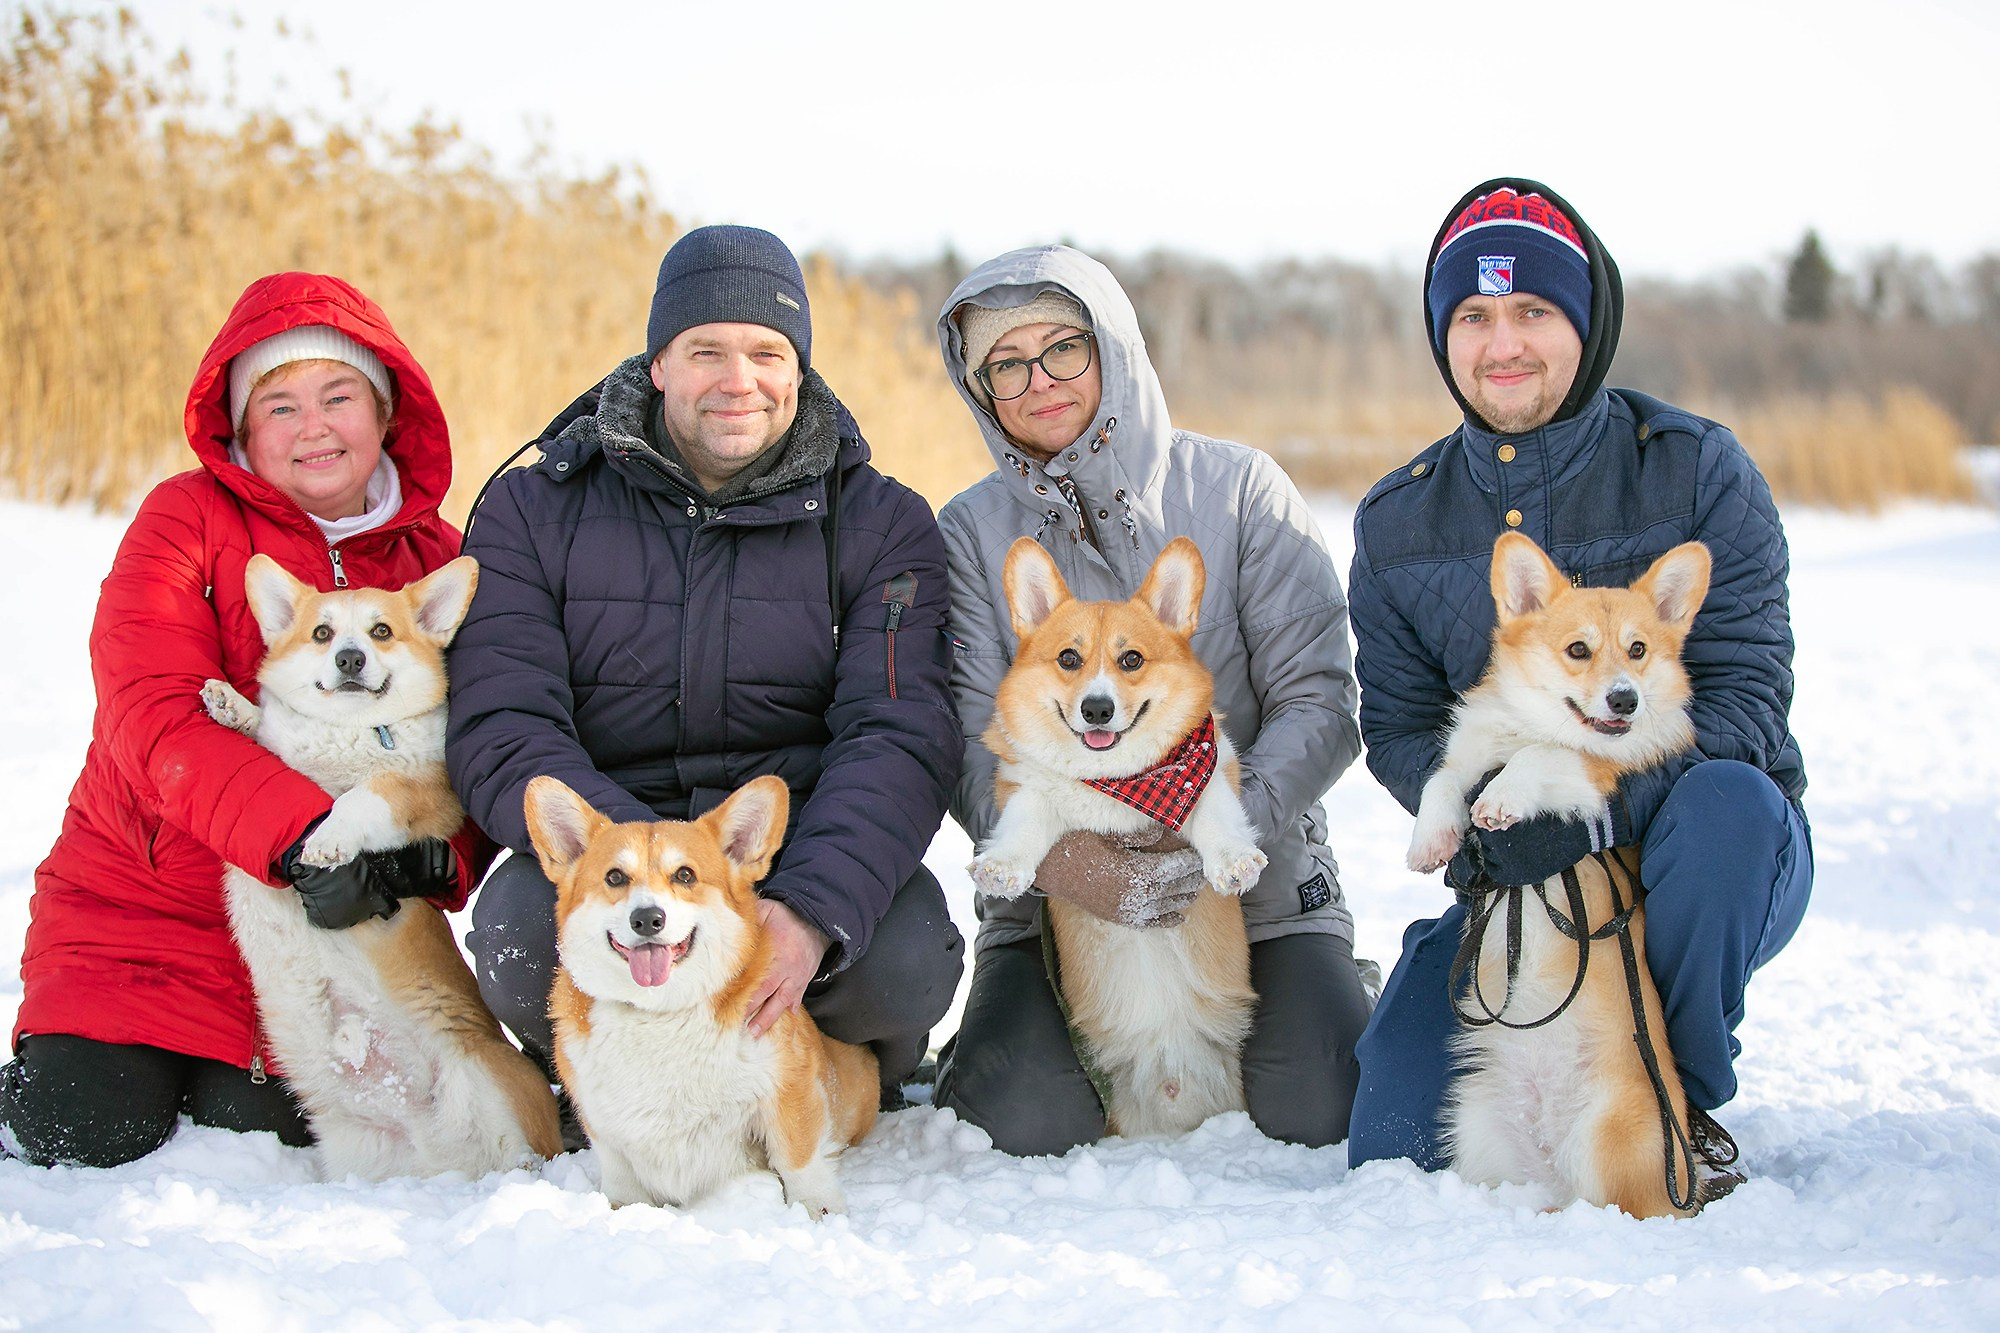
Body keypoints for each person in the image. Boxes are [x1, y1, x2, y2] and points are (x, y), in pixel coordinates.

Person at [1345, 178, 1813, 1183]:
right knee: (1394, 1136)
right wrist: (1479, 818)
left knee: (1729, 806)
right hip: (1517, 867)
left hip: (1704, 859)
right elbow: (1394, 725)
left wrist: (1597, 809)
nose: (1500, 341)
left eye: (1532, 310)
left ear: (1585, 322)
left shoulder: (1692, 469)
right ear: (1443, 337)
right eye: (1471, 315)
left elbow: (1741, 701)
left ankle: (1670, 1092)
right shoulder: (1396, 523)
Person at [447, 225, 964, 1107]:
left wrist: (805, 911)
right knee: (518, 934)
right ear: (657, 364)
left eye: (767, 352)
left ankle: (824, 1078)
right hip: (615, 862)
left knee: (906, 956)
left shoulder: (882, 523)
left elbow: (897, 733)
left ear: (798, 369)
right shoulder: (534, 508)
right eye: (706, 351)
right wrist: (642, 875)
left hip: (785, 857)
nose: (739, 380)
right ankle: (613, 1080)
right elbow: (504, 718)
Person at [0, 274, 483, 1167]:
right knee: (84, 1127)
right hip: (139, 910)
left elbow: (476, 753)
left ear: (384, 412)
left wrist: (432, 859)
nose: (314, 428)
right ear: (242, 429)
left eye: (339, 397)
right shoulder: (183, 521)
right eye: (280, 406)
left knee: (266, 1133)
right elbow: (155, 719)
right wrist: (306, 839)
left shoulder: (437, 565)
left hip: (320, 949)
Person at [931, 245, 1376, 1154]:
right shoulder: (971, 534)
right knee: (1025, 1118)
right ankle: (993, 1034)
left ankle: (1335, 984)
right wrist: (1075, 868)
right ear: (979, 389)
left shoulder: (1241, 491)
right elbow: (972, 746)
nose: (1039, 381)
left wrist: (1218, 832)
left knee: (1321, 1105)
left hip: (1254, 884)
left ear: (1113, 348)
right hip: (1054, 899)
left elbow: (1321, 704)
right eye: (1004, 366)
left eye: (1064, 348)